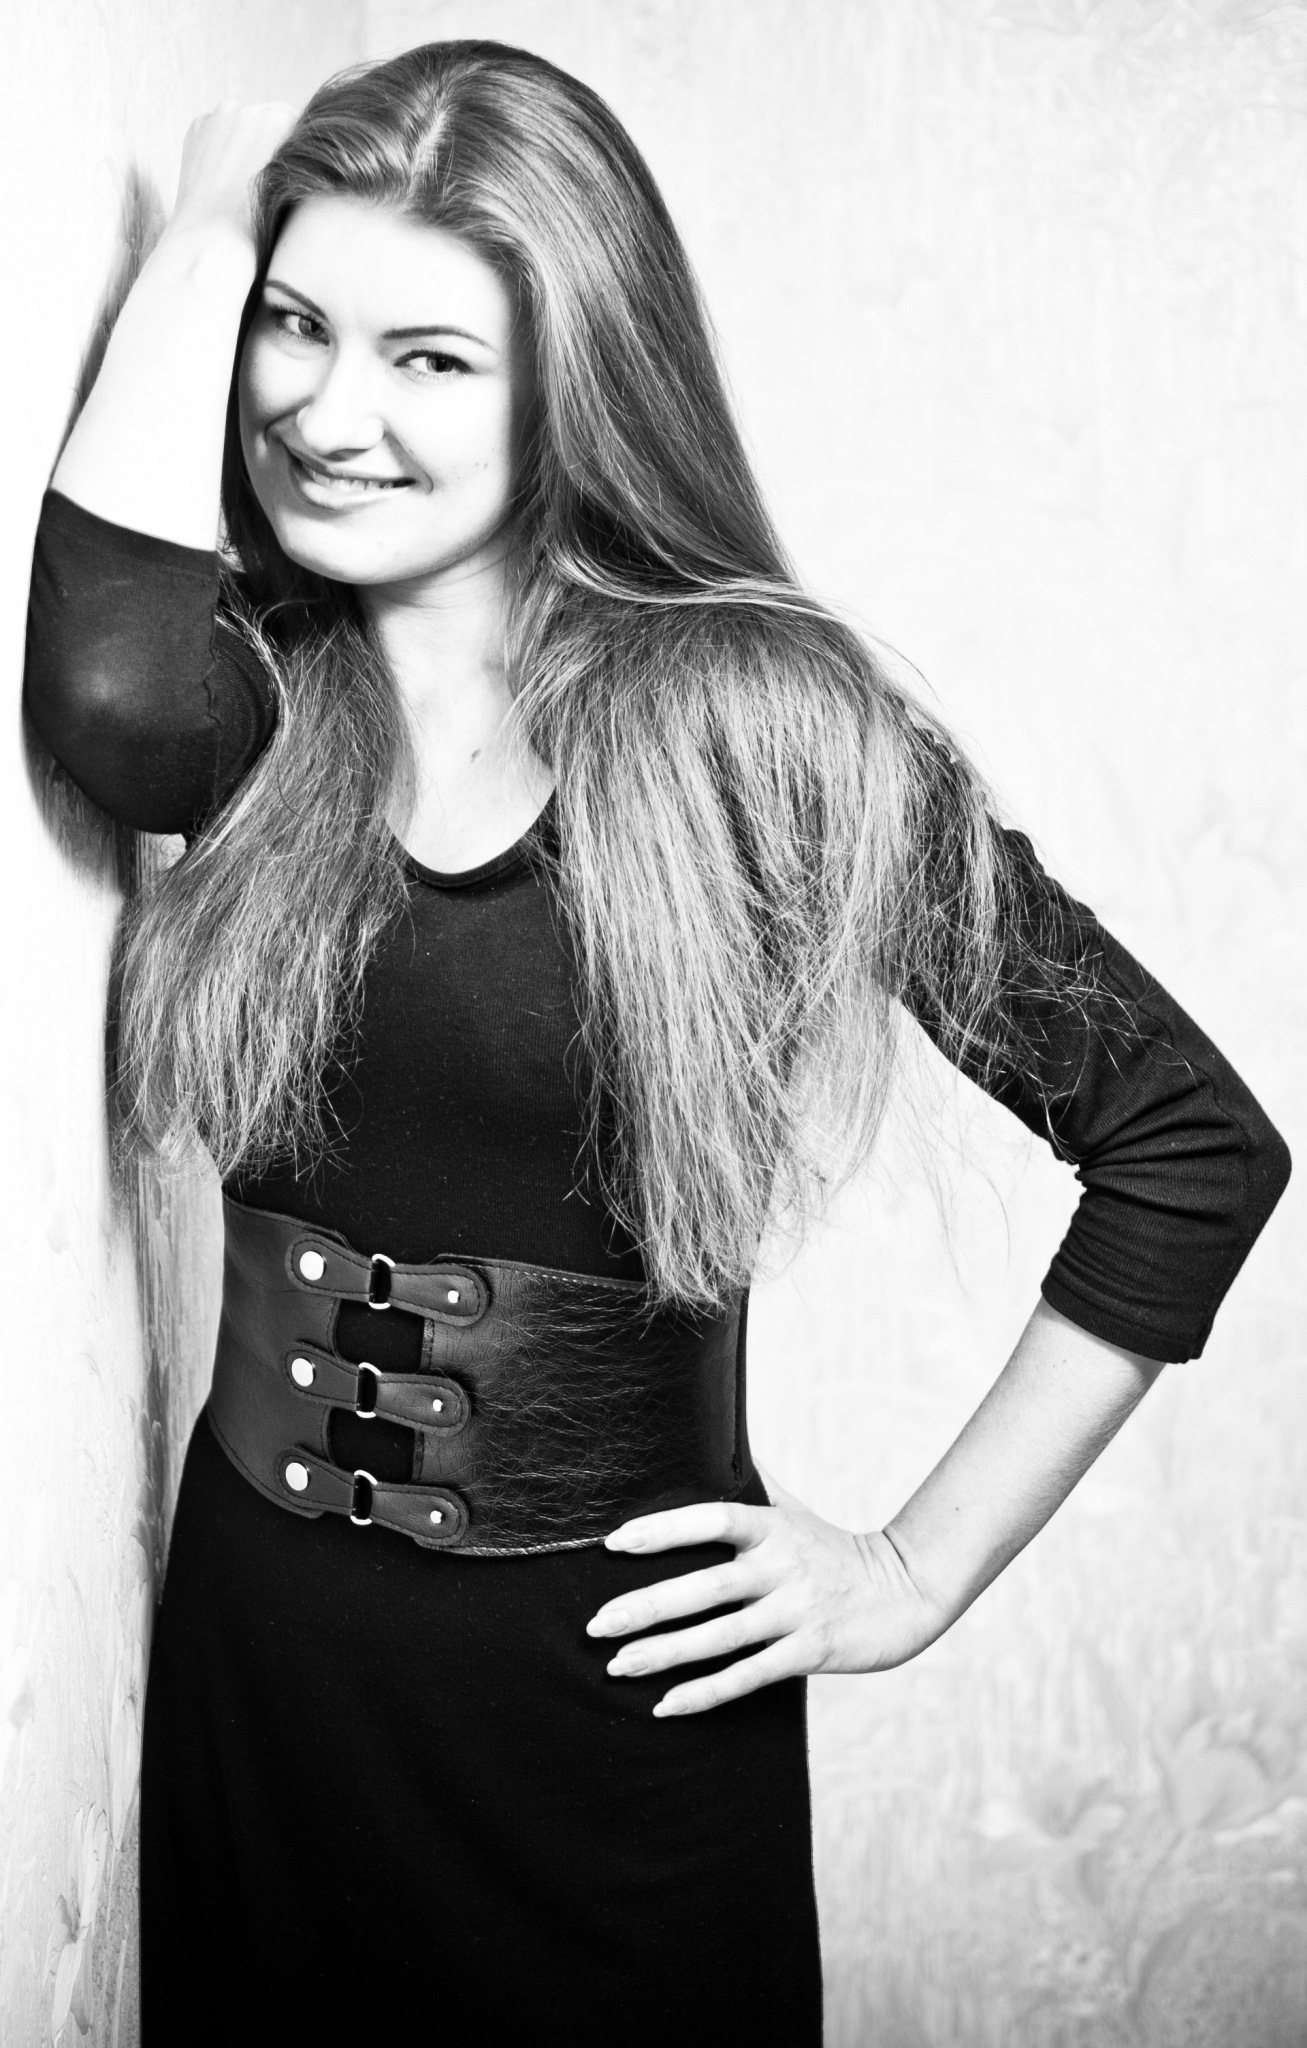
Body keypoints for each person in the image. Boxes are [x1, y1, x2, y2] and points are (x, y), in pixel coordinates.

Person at [23, 39, 1290, 2046]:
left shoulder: (764, 730)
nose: (324, 412)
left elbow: (1192, 1143)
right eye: (296, 323)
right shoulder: (255, 701)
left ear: (576, 380)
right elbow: (95, 677)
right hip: (267, 1675)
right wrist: (206, 221)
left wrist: (911, 1571)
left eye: (430, 357)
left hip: (609, 1723)